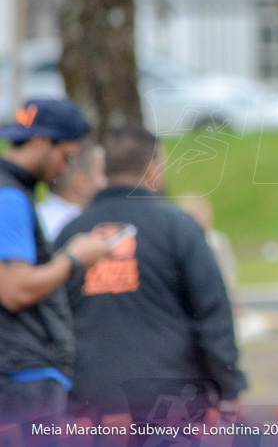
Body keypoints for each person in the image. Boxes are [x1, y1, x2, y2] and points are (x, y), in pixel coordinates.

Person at [54, 125, 247, 422]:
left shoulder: (71, 234)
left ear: (105, 170)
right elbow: (212, 314)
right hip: (170, 399)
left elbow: (54, 319)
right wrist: (229, 387)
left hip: (92, 403)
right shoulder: (179, 227)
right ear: (153, 169)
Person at [0, 99, 112, 424]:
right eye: (66, 155)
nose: (65, 167)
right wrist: (74, 258)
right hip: (21, 375)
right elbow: (15, 289)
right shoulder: (9, 197)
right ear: (40, 142)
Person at [36, 138, 107, 242]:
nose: (106, 182)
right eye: (103, 173)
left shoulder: (34, 215)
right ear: (81, 182)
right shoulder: (82, 229)